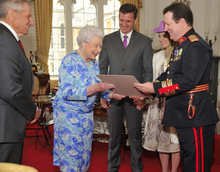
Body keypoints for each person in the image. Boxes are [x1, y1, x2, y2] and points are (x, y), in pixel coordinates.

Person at [132, 3, 219, 172]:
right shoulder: (181, 45)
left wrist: (154, 89)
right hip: (186, 116)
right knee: (189, 164)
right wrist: (148, 90)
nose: (165, 28)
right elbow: (169, 75)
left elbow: (188, 80)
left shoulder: (195, 45)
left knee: (197, 166)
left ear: (181, 22)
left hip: (196, 116)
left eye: (168, 24)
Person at [52, 25, 125, 172]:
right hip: (68, 119)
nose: (99, 50)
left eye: (100, 46)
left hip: (86, 119)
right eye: (96, 46)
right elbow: (67, 92)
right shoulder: (69, 61)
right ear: (83, 43)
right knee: (71, 160)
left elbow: (98, 88)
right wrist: (95, 88)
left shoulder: (92, 63)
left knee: (83, 159)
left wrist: (111, 94)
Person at [99, 3, 153, 172]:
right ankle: (112, 167)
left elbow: (148, 71)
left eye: (128, 21)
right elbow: (102, 68)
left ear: (135, 20)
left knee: (135, 136)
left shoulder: (144, 41)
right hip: (113, 98)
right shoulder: (108, 39)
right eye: (121, 20)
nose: (124, 24)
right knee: (113, 136)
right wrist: (104, 94)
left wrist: (143, 96)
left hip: (135, 97)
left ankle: (137, 168)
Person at [0, 0, 40, 164]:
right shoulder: (4, 40)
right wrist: (32, 110)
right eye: (28, 16)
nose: (31, 22)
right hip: (5, 127)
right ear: (12, 15)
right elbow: (11, 88)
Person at [142, 21, 180, 172]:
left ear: (171, 36)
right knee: (161, 139)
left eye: (164, 36)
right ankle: (165, 170)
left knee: (174, 140)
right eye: (159, 36)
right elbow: (152, 81)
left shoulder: (178, 55)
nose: (161, 39)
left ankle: (174, 170)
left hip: (173, 103)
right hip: (158, 103)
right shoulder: (156, 56)